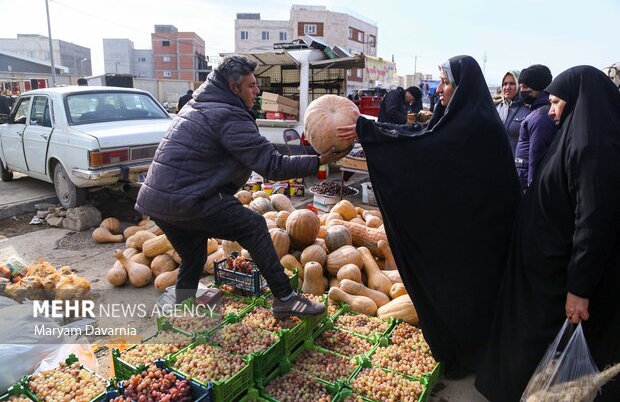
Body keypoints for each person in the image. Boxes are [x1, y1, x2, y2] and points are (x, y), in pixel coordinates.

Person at [337, 55, 521, 378]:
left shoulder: (476, 124)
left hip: (482, 235)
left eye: (446, 82)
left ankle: (472, 353)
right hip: (466, 232)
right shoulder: (456, 117)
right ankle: (462, 348)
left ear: (463, 86)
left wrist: (371, 134)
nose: (439, 90)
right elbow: (420, 138)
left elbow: (427, 152)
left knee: (472, 296)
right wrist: (372, 131)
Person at [135, 55, 350, 315]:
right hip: (189, 199)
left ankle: (182, 306)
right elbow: (272, 165)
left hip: (159, 202)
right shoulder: (227, 115)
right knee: (254, 226)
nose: (257, 91)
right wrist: (319, 161)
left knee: (193, 255)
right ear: (233, 88)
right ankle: (285, 298)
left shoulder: (197, 105)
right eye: (251, 85)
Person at [476, 66, 620, 402]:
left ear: (578, 102)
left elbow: (594, 224)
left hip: (561, 277)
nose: (552, 112)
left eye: (556, 103)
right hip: (545, 268)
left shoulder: (594, 149)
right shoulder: (575, 136)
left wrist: (579, 289)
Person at [514, 64, 557, 191]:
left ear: (540, 87)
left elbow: (536, 156)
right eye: (520, 87)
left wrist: (532, 189)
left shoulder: (541, 117)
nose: (522, 91)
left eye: (526, 87)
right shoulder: (536, 112)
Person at [496, 70, 531, 153]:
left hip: (515, 162)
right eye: (504, 84)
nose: (507, 87)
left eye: (512, 83)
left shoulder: (528, 109)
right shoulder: (497, 107)